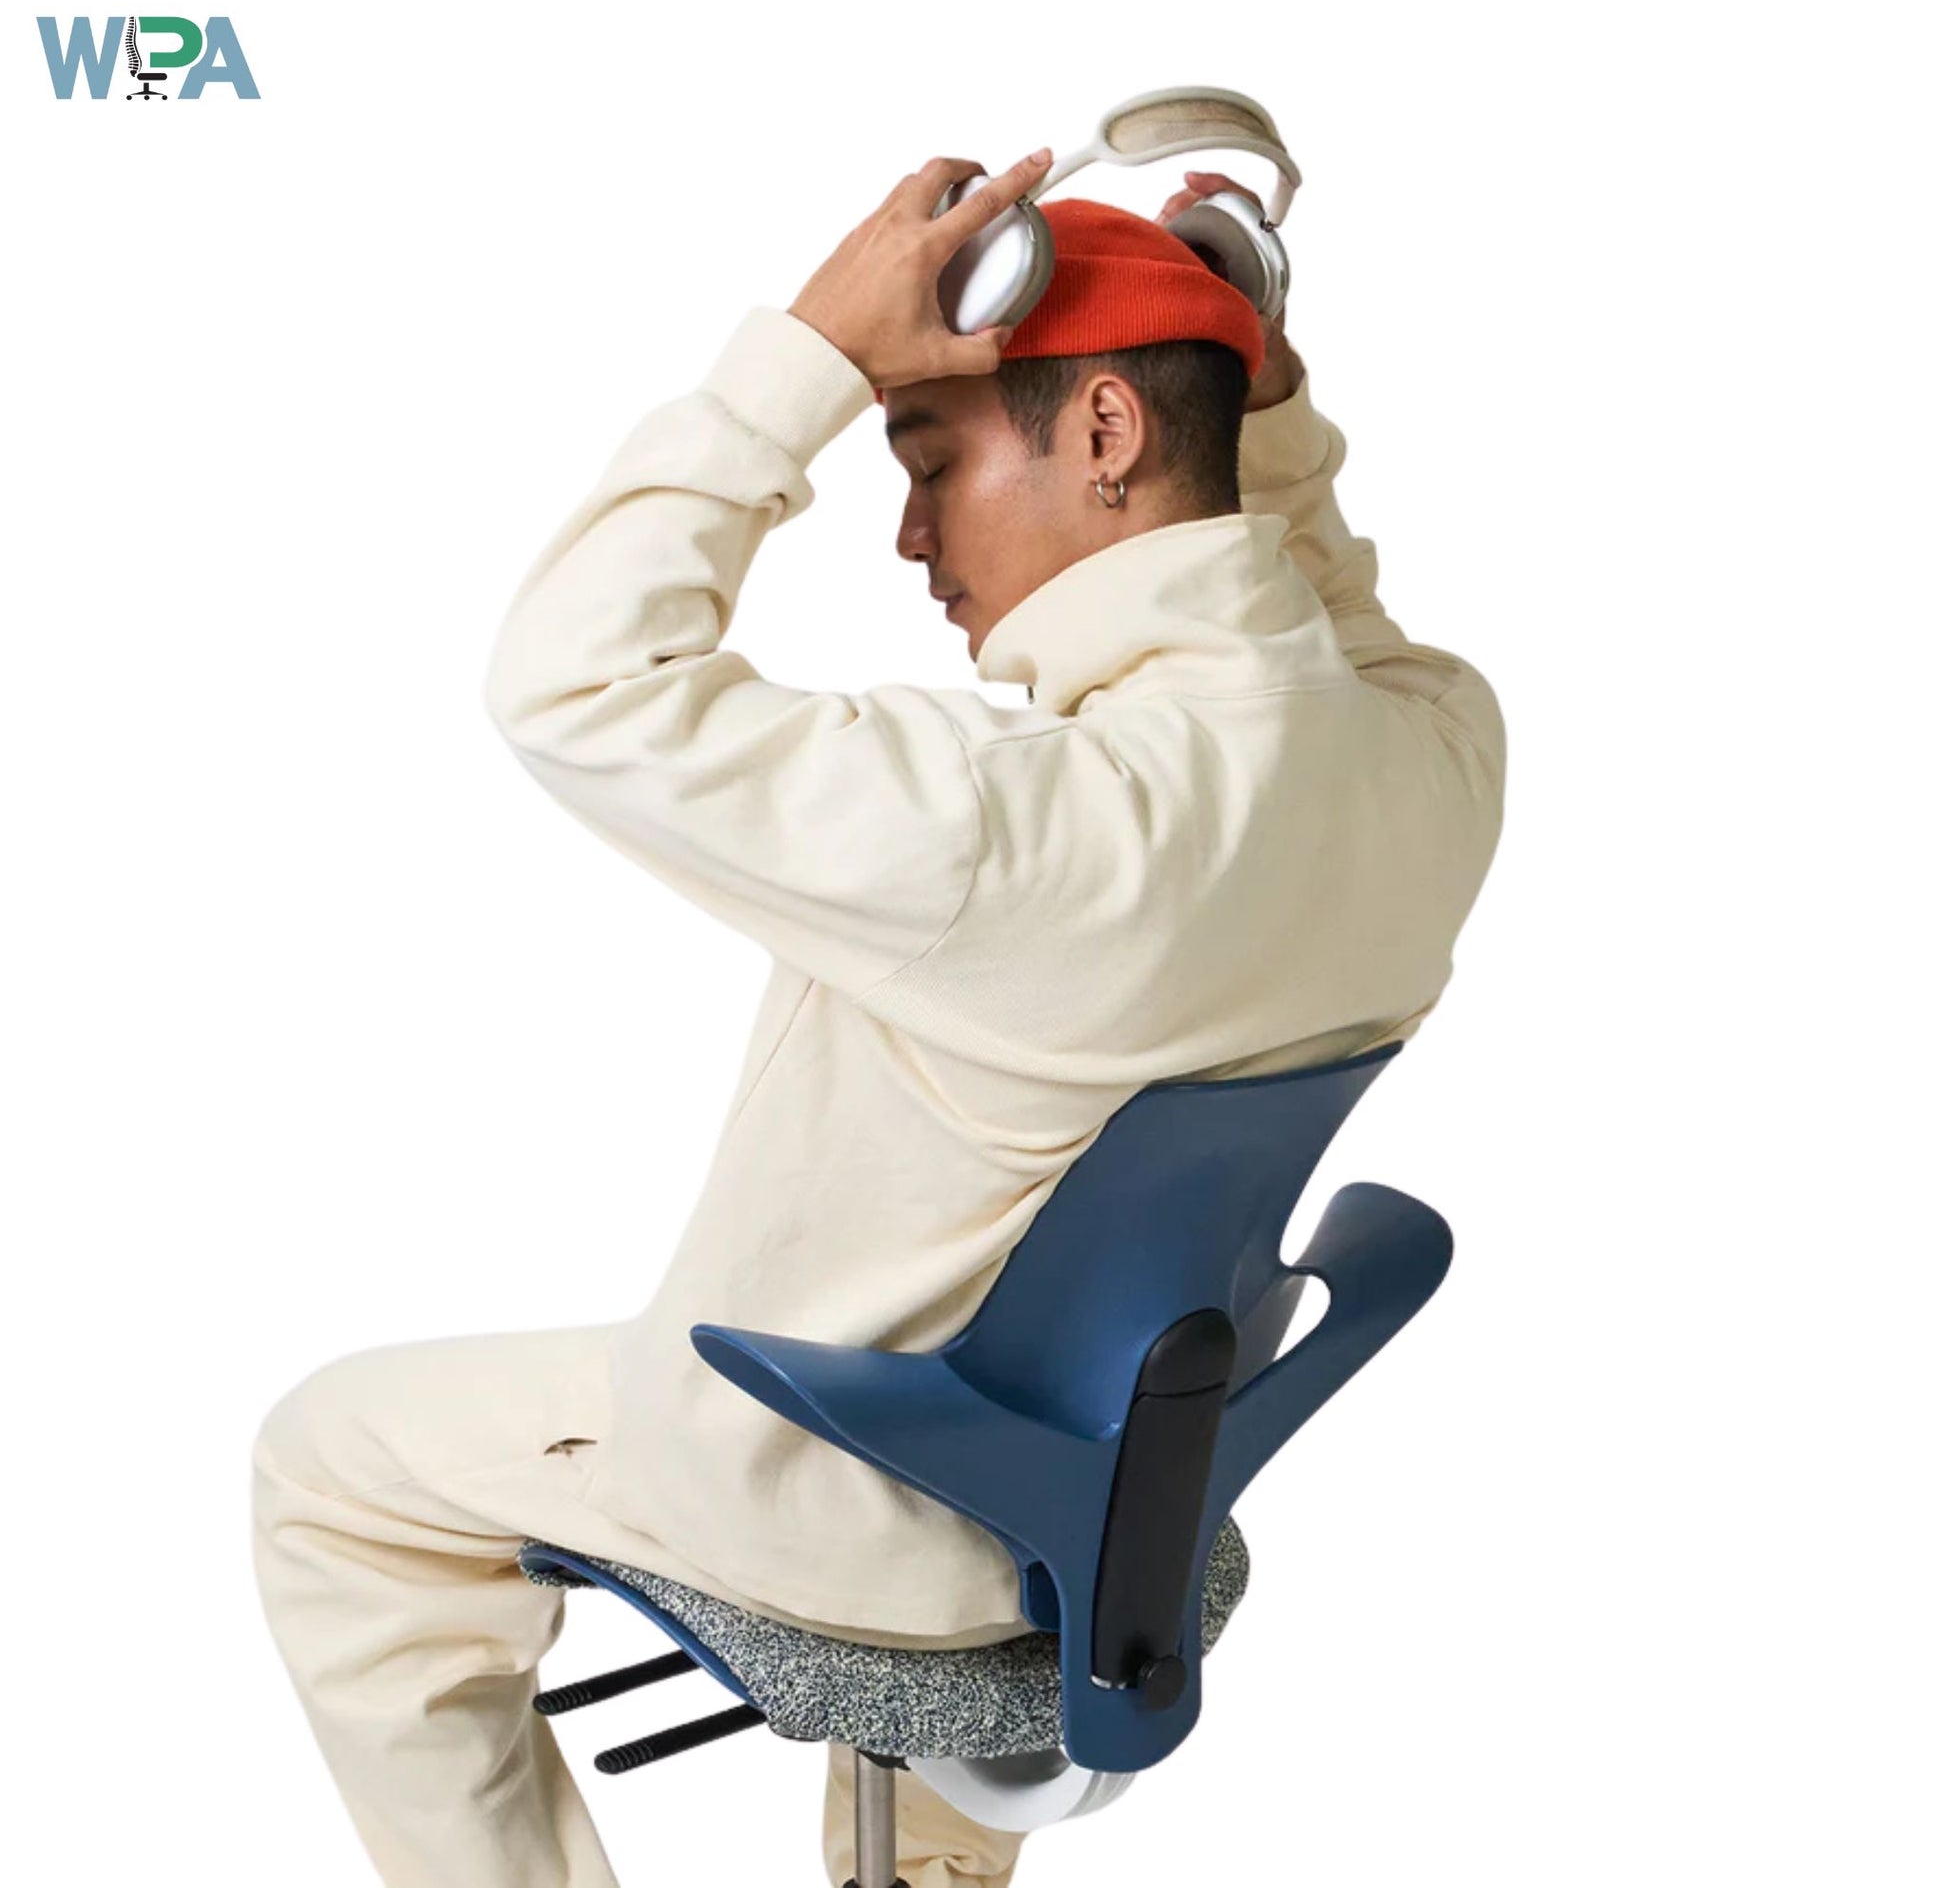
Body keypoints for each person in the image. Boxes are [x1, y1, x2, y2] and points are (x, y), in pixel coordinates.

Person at [250, 146, 1507, 1888]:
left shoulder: (1007, 820)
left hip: (833, 1505)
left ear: (1102, 439)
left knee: (333, 1458)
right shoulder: (1431, 756)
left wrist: (810, 359)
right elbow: (1322, 605)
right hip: (1104, 1510)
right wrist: (1254, 380)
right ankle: (923, 1866)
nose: (906, 533)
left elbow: (572, 678)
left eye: (928, 464)